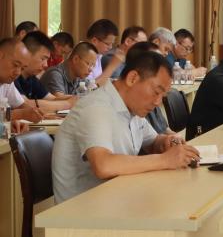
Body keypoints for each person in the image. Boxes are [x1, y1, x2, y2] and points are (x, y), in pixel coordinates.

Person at [52, 48, 199, 203]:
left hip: (117, 198)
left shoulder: (132, 108)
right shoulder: (95, 107)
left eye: (163, 96)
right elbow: (103, 165)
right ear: (132, 78)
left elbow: (153, 142)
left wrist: (167, 142)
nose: (158, 102)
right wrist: (165, 160)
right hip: (82, 210)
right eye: (156, 92)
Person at [15, 32, 76, 112]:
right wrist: (68, 104)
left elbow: (52, 99)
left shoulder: (31, 78)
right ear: (26, 54)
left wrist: (76, 98)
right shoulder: (13, 77)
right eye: (43, 59)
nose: (46, 65)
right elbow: (24, 104)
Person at [0, 38, 45, 130]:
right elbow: (21, 111)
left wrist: (37, 113)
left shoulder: (7, 82)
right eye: (15, 65)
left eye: (22, 68)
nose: (18, 72)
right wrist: (21, 114)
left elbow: (20, 105)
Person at [84, 19, 120, 86]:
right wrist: (112, 65)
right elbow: (88, 88)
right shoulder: (82, 57)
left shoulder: (98, 55)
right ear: (94, 41)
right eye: (107, 44)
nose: (110, 47)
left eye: (112, 44)